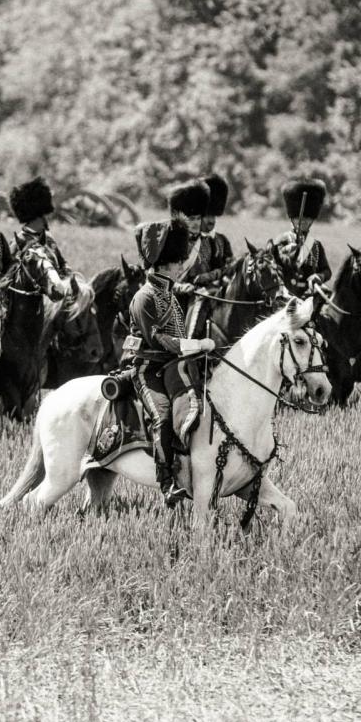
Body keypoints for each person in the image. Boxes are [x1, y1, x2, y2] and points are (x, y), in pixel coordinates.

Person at [125, 191, 215, 506]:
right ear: (166, 262)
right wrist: (198, 344)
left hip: (173, 368)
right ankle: (166, 482)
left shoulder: (170, 293)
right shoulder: (145, 297)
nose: (181, 266)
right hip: (148, 370)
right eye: (178, 261)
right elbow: (161, 340)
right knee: (162, 417)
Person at [270, 178, 331, 297]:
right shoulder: (281, 240)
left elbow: (327, 271)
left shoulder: (316, 245)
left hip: (309, 296)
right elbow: (271, 265)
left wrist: (319, 276)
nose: (303, 221)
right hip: (285, 295)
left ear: (312, 220)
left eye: (308, 218)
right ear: (292, 218)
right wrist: (285, 253)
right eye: (298, 218)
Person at [9, 176, 70, 273]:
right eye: (44, 215)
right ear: (39, 216)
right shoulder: (19, 241)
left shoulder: (48, 239)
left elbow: (62, 264)